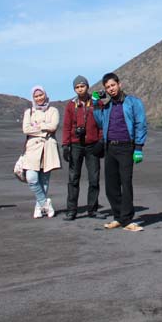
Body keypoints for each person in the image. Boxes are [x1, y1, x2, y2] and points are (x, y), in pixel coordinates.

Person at [93, 73, 147, 232]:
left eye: (112, 85)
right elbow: (100, 122)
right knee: (111, 185)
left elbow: (141, 124)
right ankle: (118, 217)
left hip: (126, 148)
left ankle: (127, 219)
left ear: (119, 84)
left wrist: (138, 148)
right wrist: (96, 103)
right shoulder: (107, 106)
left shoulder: (133, 102)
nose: (111, 89)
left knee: (126, 183)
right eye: (107, 87)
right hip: (110, 148)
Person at [61, 75, 103, 220]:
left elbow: (102, 122)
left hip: (93, 145)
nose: (80, 89)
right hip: (76, 145)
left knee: (94, 178)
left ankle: (93, 210)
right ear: (74, 89)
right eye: (77, 87)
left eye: (82, 86)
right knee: (73, 179)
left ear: (87, 86)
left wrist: (101, 141)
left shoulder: (96, 102)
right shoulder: (70, 105)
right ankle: (71, 210)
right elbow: (66, 126)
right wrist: (65, 145)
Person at [22, 85, 61, 219]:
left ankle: (39, 207)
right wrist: (45, 127)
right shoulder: (29, 112)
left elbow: (54, 126)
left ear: (45, 95)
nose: (39, 98)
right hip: (33, 148)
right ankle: (45, 203)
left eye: (40, 95)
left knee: (44, 179)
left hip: (48, 147)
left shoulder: (53, 110)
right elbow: (26, 129)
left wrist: (37, 126)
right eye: (36, 96)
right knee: (31, 178)